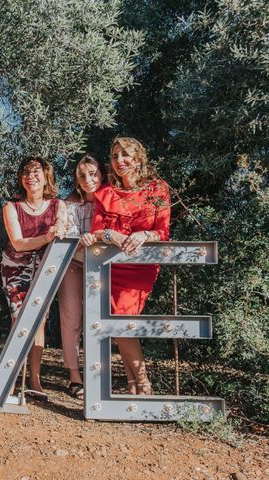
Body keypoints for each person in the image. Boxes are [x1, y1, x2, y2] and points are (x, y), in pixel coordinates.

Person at [86, 137, 171, 395]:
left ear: (138, 158)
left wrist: (144, 235)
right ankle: (134, 384)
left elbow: (163, 231)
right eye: (114, 156)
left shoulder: (158, 190)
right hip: (111, 265)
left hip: (140, 267)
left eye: (125, 155)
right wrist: (115, 236)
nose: (119, 161)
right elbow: (97, 231)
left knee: (123, 317)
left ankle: (143, 381)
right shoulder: (105, 194)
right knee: (118, 320)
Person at [1, 156, 66, 396]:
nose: (31, 177)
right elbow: (18, 243)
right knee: (20, 319)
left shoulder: (58, 205)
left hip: (45, 269)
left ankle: (34, 380)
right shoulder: (11, 206)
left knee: (39, 321)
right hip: (16, 269)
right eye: (26, 173)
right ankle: (10, 378)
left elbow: (61, 225)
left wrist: (57, 231)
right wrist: (47, 238)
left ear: (46, 175)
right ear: (21, 179)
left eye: (36, 172)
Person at [57, 155, 106, 400]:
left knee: (98, 320)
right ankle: (75, 377)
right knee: (71, 319)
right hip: (74, 265)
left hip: (102, 268)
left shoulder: (110, 202)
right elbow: (68, 234)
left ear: (102, 174)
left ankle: (99, 377)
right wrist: (82, 239)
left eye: (93, 173)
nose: (88, 180)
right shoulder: (70, 205)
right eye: (82, 175)